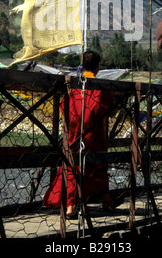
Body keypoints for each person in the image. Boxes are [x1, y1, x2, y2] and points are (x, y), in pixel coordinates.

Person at [43, 50, 115, 217]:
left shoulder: (73, 85)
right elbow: (108, 108)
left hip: (75, 130)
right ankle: (105, 199)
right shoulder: (101, 86)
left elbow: (63, 107)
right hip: (94, 132)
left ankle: (71, 205)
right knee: (99, 165)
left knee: (72, 167)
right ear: (98, 66)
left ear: (82, 65)